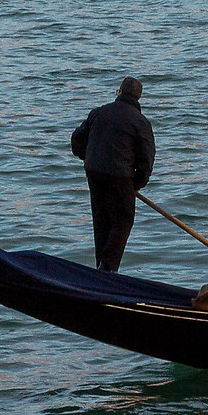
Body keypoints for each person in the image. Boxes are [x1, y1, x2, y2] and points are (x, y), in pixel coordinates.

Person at [70, 77, 155, 272]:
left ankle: (101, 267)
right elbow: (146, 158)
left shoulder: (99, 113)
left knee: (101, 220)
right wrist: (137, 183)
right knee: (123, 221)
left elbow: (77, 140)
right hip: (120, 176)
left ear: (119, 92)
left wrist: (87, 156)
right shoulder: (140, 122)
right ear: (139, 98)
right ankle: (108, 268)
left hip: (94, 171)